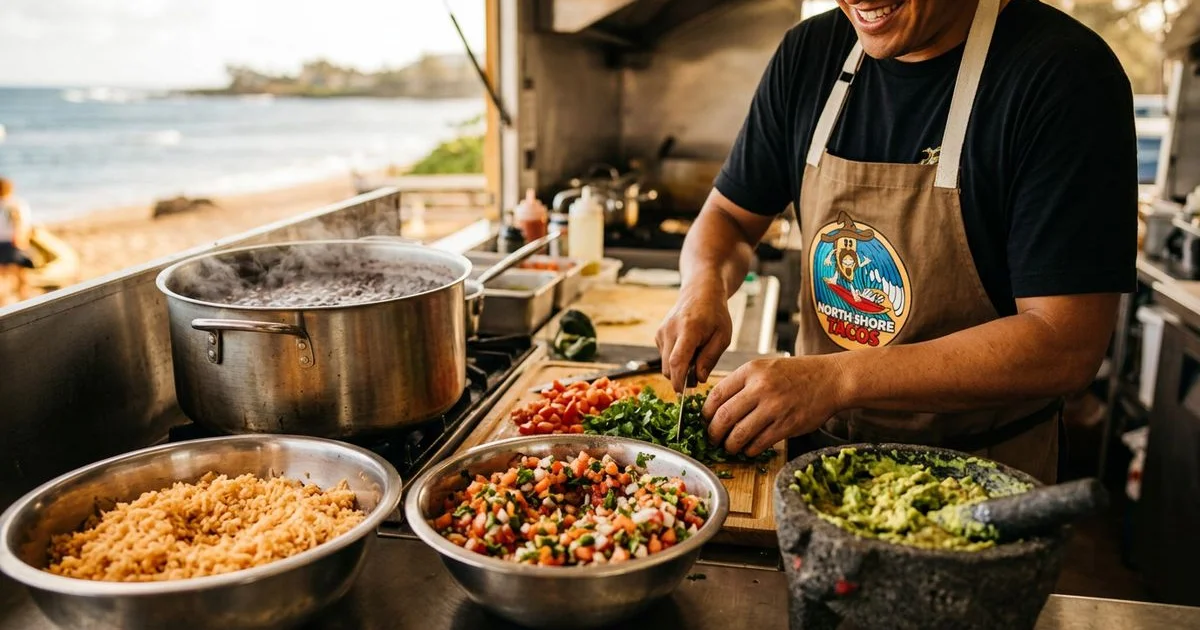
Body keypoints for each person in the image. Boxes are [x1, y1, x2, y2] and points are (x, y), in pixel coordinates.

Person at [655, 0, 1137, 484]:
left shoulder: (1063, 73)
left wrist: (837, 378)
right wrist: (702, 288)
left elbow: (1065, 344)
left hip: (980, 479)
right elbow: (729, 217)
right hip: (813, 466)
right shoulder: (810, 53)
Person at [0, 177, 35, 304]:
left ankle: (5, 303)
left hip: (6, 242)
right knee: (21, 275)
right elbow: (23, 224)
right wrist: (22, 239)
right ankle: (24, 300)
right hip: (14, 242)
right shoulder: (16, 203)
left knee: (4, 276)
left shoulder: (12, 205)